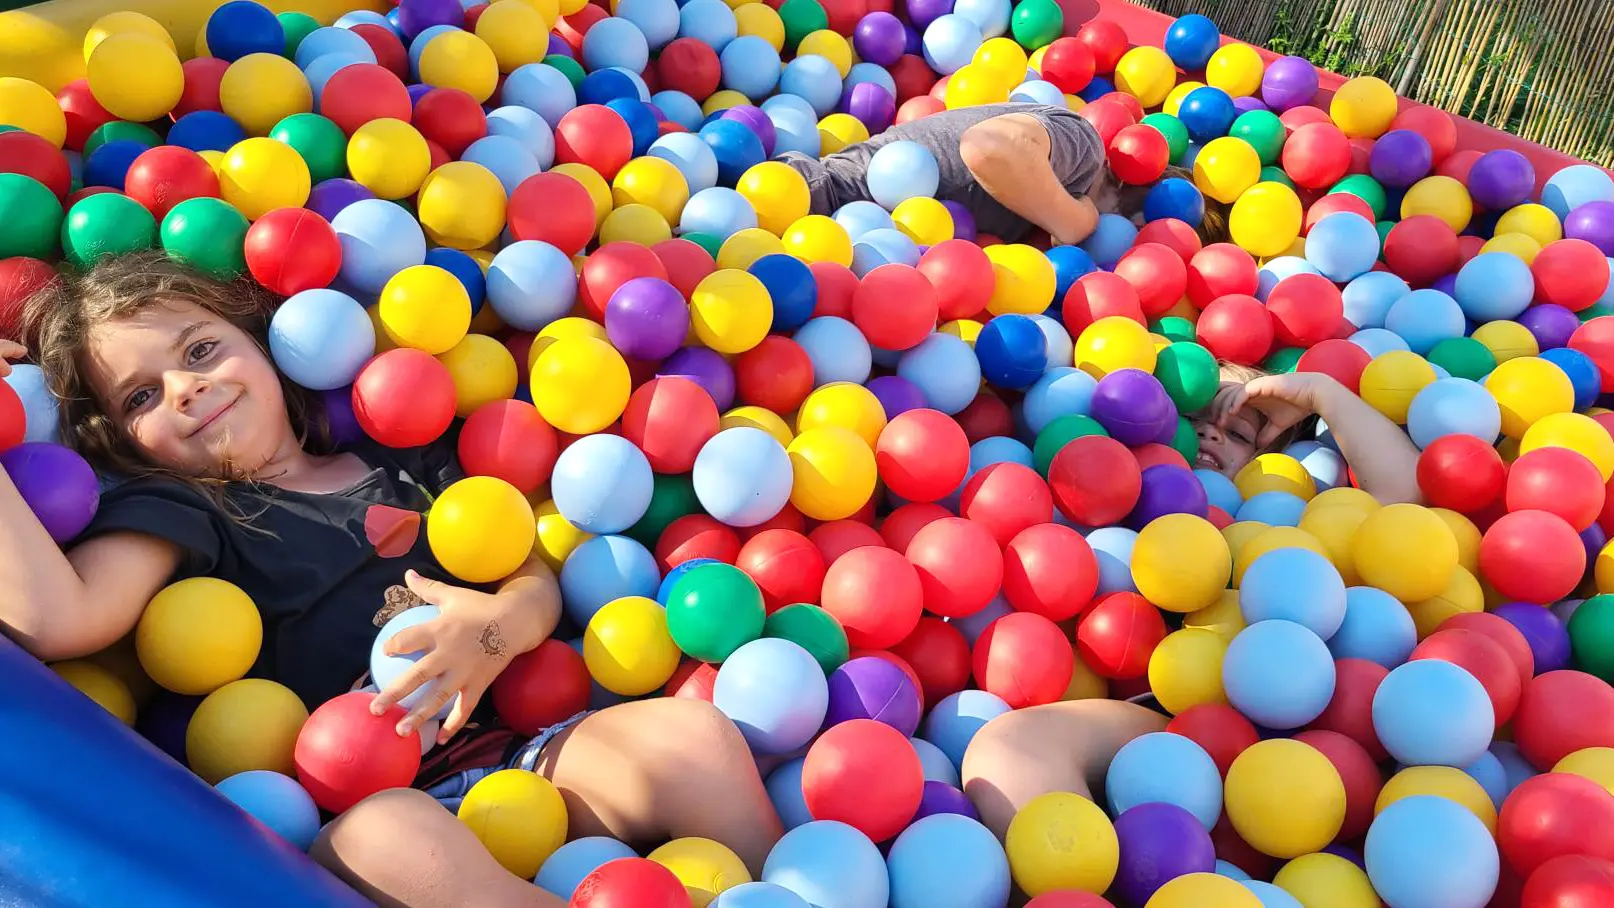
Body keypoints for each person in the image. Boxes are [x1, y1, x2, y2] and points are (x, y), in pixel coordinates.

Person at [0, 252, 782, 908]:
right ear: (124, 443)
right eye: (142, 396)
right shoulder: (187, 515)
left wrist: (494, 632)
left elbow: (534, 573)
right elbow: (59, 617)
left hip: (525, 752)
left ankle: (785, 890)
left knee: (691, 736)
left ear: (268, 341)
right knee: (394, 839)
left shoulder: (399, 457)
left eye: (201, 350)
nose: (186, 388)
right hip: (366, 806)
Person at [775, 102, 1229, 247]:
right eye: (1145, 227)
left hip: (841, 248)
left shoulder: (1036, 226)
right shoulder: (1084, 148)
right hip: (808, 197)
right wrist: (1075, 221)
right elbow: (987, 147)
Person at [1192, 361, 1423, 505]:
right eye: (1192, 418)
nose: (1209, 432)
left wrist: (1319, 392)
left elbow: (1406, 495)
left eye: (1237, 433)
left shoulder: (1285, 519)